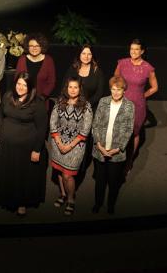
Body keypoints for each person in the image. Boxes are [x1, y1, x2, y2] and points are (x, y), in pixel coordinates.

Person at [0, 72, 48, 216]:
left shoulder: (37, 103)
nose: (21, 87)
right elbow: (1, 116)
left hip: (26, 148)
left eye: (24, 85)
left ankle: (22, 203)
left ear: (30, 87)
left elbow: (42, 128)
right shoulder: (7, 96)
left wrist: (37, 149)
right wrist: (0, 134)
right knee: (8, 172)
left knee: (22, 176)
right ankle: (7, 198)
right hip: (7, 145)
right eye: (18, 84)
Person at [91, 76, 134, 214]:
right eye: (113, 89)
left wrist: (118, 148)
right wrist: (99, 145)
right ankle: (98, 204)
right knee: (100, 181)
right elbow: (95, 124)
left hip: (117, 152)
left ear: (124, 91)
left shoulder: (129, 106)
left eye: (119, 89)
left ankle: (110, 205)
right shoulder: (103, 102)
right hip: (100, 149)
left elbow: (129, 129)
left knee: (114, 182)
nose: (115, 92)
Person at [50, 78, 93, 215]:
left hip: (75, 146)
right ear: (66, 88)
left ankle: (70, 199)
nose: (72, 90)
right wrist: (59, 142)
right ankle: (62, 194)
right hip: (58, 143)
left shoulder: (86, 106)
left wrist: (69, 146)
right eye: (70, 87)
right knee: (58, 170)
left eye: (75, 87)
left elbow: (85, 130)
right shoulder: (59, 102)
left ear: (80, 89)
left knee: (68, 175)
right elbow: (52, 123)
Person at [114, 38, 158, 172]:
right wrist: (117, 92)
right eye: (131, 49)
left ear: (142, 51)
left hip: (137, 106)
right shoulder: (122, 63)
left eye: (136, 49)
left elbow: (154, 87)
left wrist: (142, 95)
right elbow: (116, 79)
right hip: (121, 102)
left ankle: (129, 161)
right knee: (118, 130)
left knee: (134, 133)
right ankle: (116, 159)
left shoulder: (148, 68)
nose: (133, 51)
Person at [63, 44, 105, 179]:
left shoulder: (97, 71)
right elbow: (65, 88)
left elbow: (99, 93)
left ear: (92, 56)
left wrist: (85, 105)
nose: (86, 56)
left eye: (89, 54)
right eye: (83, 53)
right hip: (72, 108)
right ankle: (68, 161)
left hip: (88, 109)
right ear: (79, 55)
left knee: (84, 138)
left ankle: (81, 166)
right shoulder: (72, 69)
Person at [15, 33, 56, 108]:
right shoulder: (22, 59)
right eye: (31, 46)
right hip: (23, 101)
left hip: (41, 102)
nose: (34, 48)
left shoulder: (48, 60)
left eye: (37, 46)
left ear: (42, 47)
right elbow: (16, 79)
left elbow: (51, 82)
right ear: (28, 47)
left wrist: (42, 97)